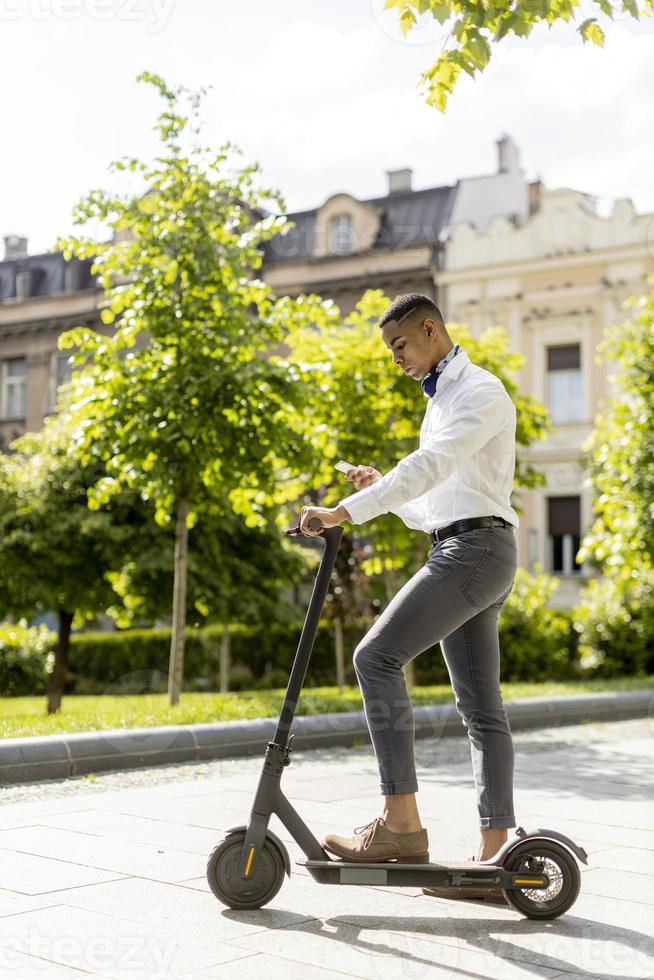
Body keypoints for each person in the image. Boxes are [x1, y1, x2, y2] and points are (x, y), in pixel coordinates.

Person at [298, 292, 519, 902]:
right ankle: (496, 857)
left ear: (429, 329)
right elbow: (435, 507)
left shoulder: (480, 391)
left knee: (375, 657)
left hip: (474, 553)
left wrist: (347, 509)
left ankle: (400, 825)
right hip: (467, 545)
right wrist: (381, 490)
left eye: (400, 344)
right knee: (481, 707)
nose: (395, 358)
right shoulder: (443, 399)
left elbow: (433, 462)